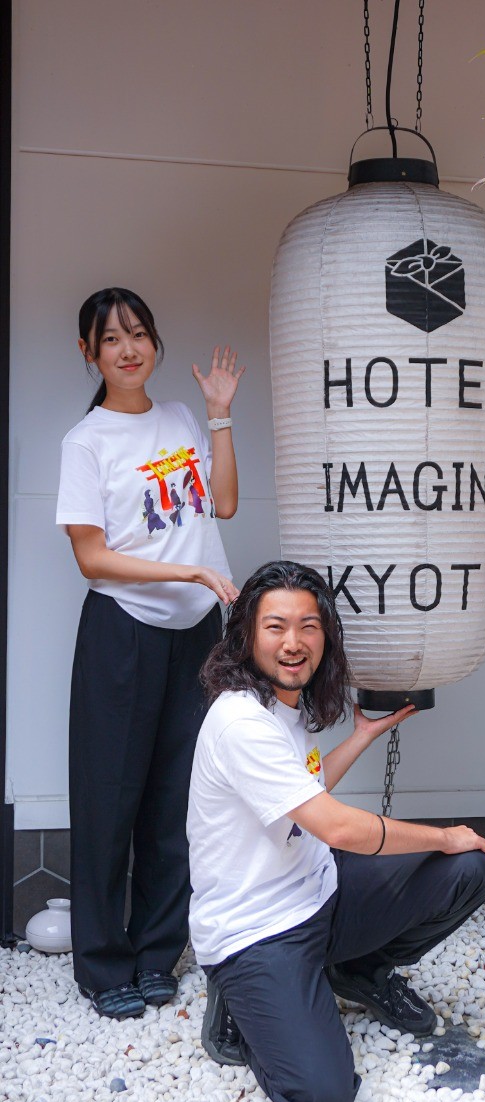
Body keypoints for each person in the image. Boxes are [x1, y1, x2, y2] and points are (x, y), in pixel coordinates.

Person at [188, 560, 485, 1102]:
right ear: (246, 636)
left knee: (467, 867)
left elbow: (303, 790)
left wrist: (360, 737)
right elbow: (339, 829)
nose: (293, 642)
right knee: (322, 1101)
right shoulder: (240, 721)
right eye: (276, 626)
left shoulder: (286, 704)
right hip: (256, 928)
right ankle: (240, 1002)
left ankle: (358, 970)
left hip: (320, 891)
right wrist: (442, 834)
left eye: (308, 626)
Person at [56, 286, 244, 1019]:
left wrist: (220, 415)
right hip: (124, 631)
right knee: (110, 797)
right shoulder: (87, 442)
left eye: (138, 333)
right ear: (89, 353)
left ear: (154, 342)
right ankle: (104, 965)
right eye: (111, 339)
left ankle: (156, 952)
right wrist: (186, 571)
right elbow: (92, 558)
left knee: (176, 797)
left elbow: (222, 505)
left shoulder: (179, 418)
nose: (128, 349)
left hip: (195, 632)